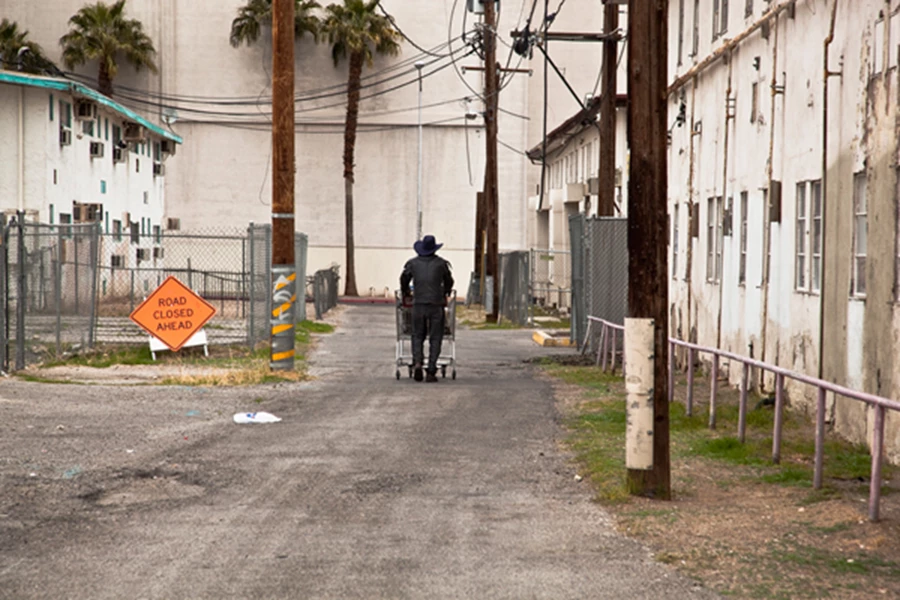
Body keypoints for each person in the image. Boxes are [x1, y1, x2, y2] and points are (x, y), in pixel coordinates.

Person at [400, 235, 454, 382]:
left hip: (418, 304)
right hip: (436, 305)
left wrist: (406, 292)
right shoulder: (441, 264)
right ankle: (431, 370)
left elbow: (404, 278)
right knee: (436, 337)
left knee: (417, 335)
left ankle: (417, 362)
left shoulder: (412, 263)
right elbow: (449, 281)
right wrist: (445, 292)